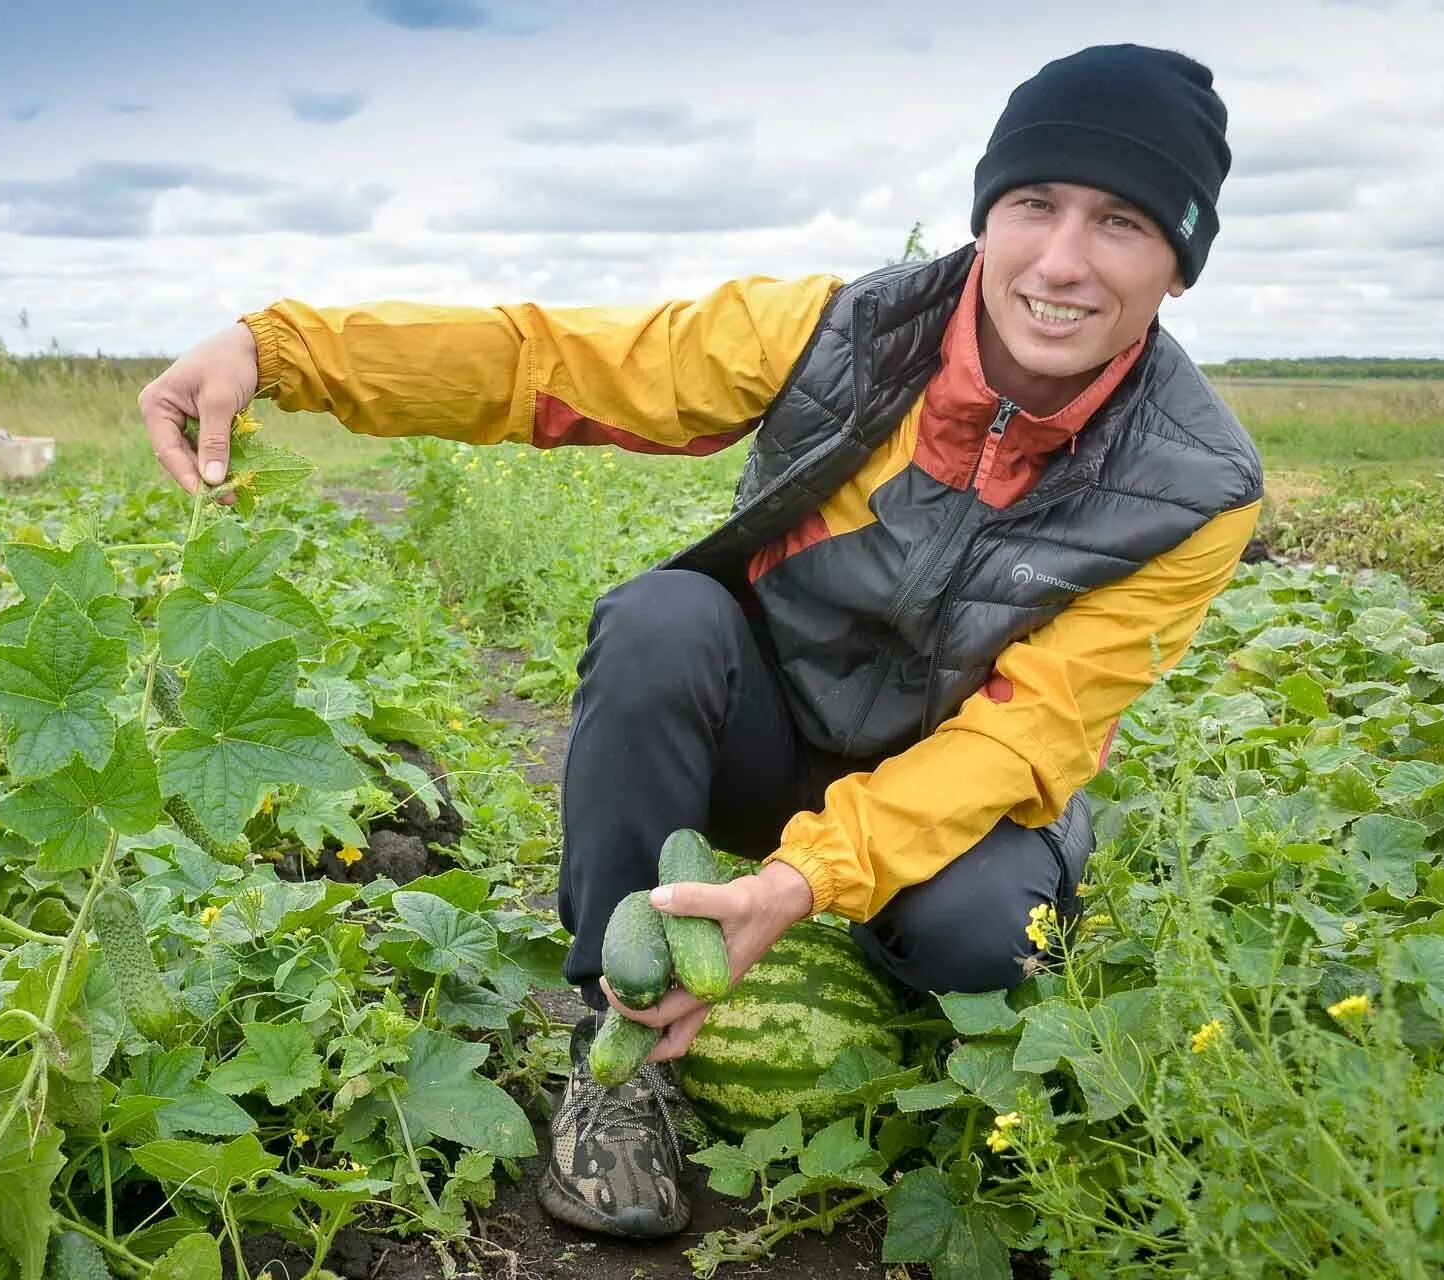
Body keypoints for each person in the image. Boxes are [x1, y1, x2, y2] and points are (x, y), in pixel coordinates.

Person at [138, 43, 1261, 1241]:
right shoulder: (834, 331)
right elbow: (548, 363)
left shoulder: (1194, 485)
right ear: (989, 210)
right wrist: (281, 349)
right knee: (662, 620)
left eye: (1125, 222)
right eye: (1035, 203)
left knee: (988, 937)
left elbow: (1028, 731)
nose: (1063, 259)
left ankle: (853, 977)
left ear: (1179, 266)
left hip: (951, 789)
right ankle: (619, 1045)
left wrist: (802, 885)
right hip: (769, 736)